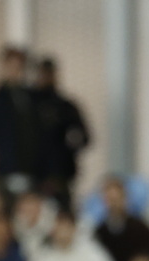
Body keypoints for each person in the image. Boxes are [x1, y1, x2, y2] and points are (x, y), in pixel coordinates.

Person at [0, 47, 39, 189]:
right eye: (11, 66)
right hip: (5, 169)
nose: (16, 71)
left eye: (19, 66)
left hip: (33, 169)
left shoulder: (32, 98)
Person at [31, 58, 89, 197]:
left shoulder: (66, 107)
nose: (45, 78)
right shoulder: (27, 106)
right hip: (33, 177)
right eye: (42, 74)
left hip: (61, 176)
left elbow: (84, 137)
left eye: (49, 74)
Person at [93, 175, 149, 261]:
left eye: (117, 198)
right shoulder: (99, 233)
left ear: (125, 198)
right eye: (110, 199)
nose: (114, 204)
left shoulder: (142, 230)